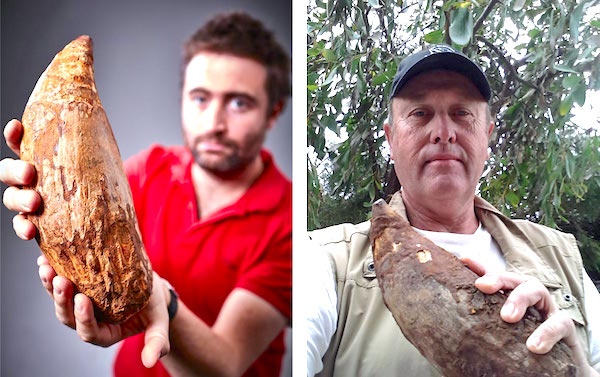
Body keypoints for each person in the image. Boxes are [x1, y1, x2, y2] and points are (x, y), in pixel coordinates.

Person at [1, 12, 291, 377]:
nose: (214, 123)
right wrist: (39, 188)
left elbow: (227, 363)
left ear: (273, 112)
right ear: (183, 97)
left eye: (239, 103)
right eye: (200, 98)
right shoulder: (146, 171)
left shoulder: (289, 222)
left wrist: (162, 302)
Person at [307, 44, 600, 376]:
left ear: (486, 137)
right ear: (391, 139)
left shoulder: (561, 256)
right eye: (420, 113)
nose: (443, 133)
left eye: (462, 113)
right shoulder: (324, 262)